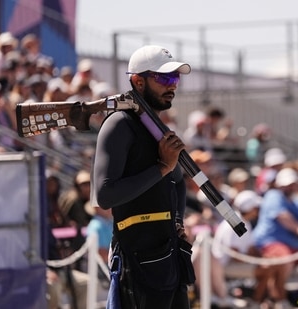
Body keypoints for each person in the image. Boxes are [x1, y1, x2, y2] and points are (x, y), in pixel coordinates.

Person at [93, 44, 194, 309]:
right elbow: (105, 195)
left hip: (169, 256)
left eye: (175, 78)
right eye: (164, 78)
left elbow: (179, 181)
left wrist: (178, 222)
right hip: (138, 262)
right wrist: (162, 166)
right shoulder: (119, 124)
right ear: (138, 81)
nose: (172, 85)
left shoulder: (158, 128)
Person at [252, 167, 298, 308]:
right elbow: (283, 216)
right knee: (284, 258)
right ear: (279, 185)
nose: (289, 187)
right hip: (270, 243)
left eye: (292, 184)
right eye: (286, 184)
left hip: (294, 246)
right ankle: (278, 299)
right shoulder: (273, 195)